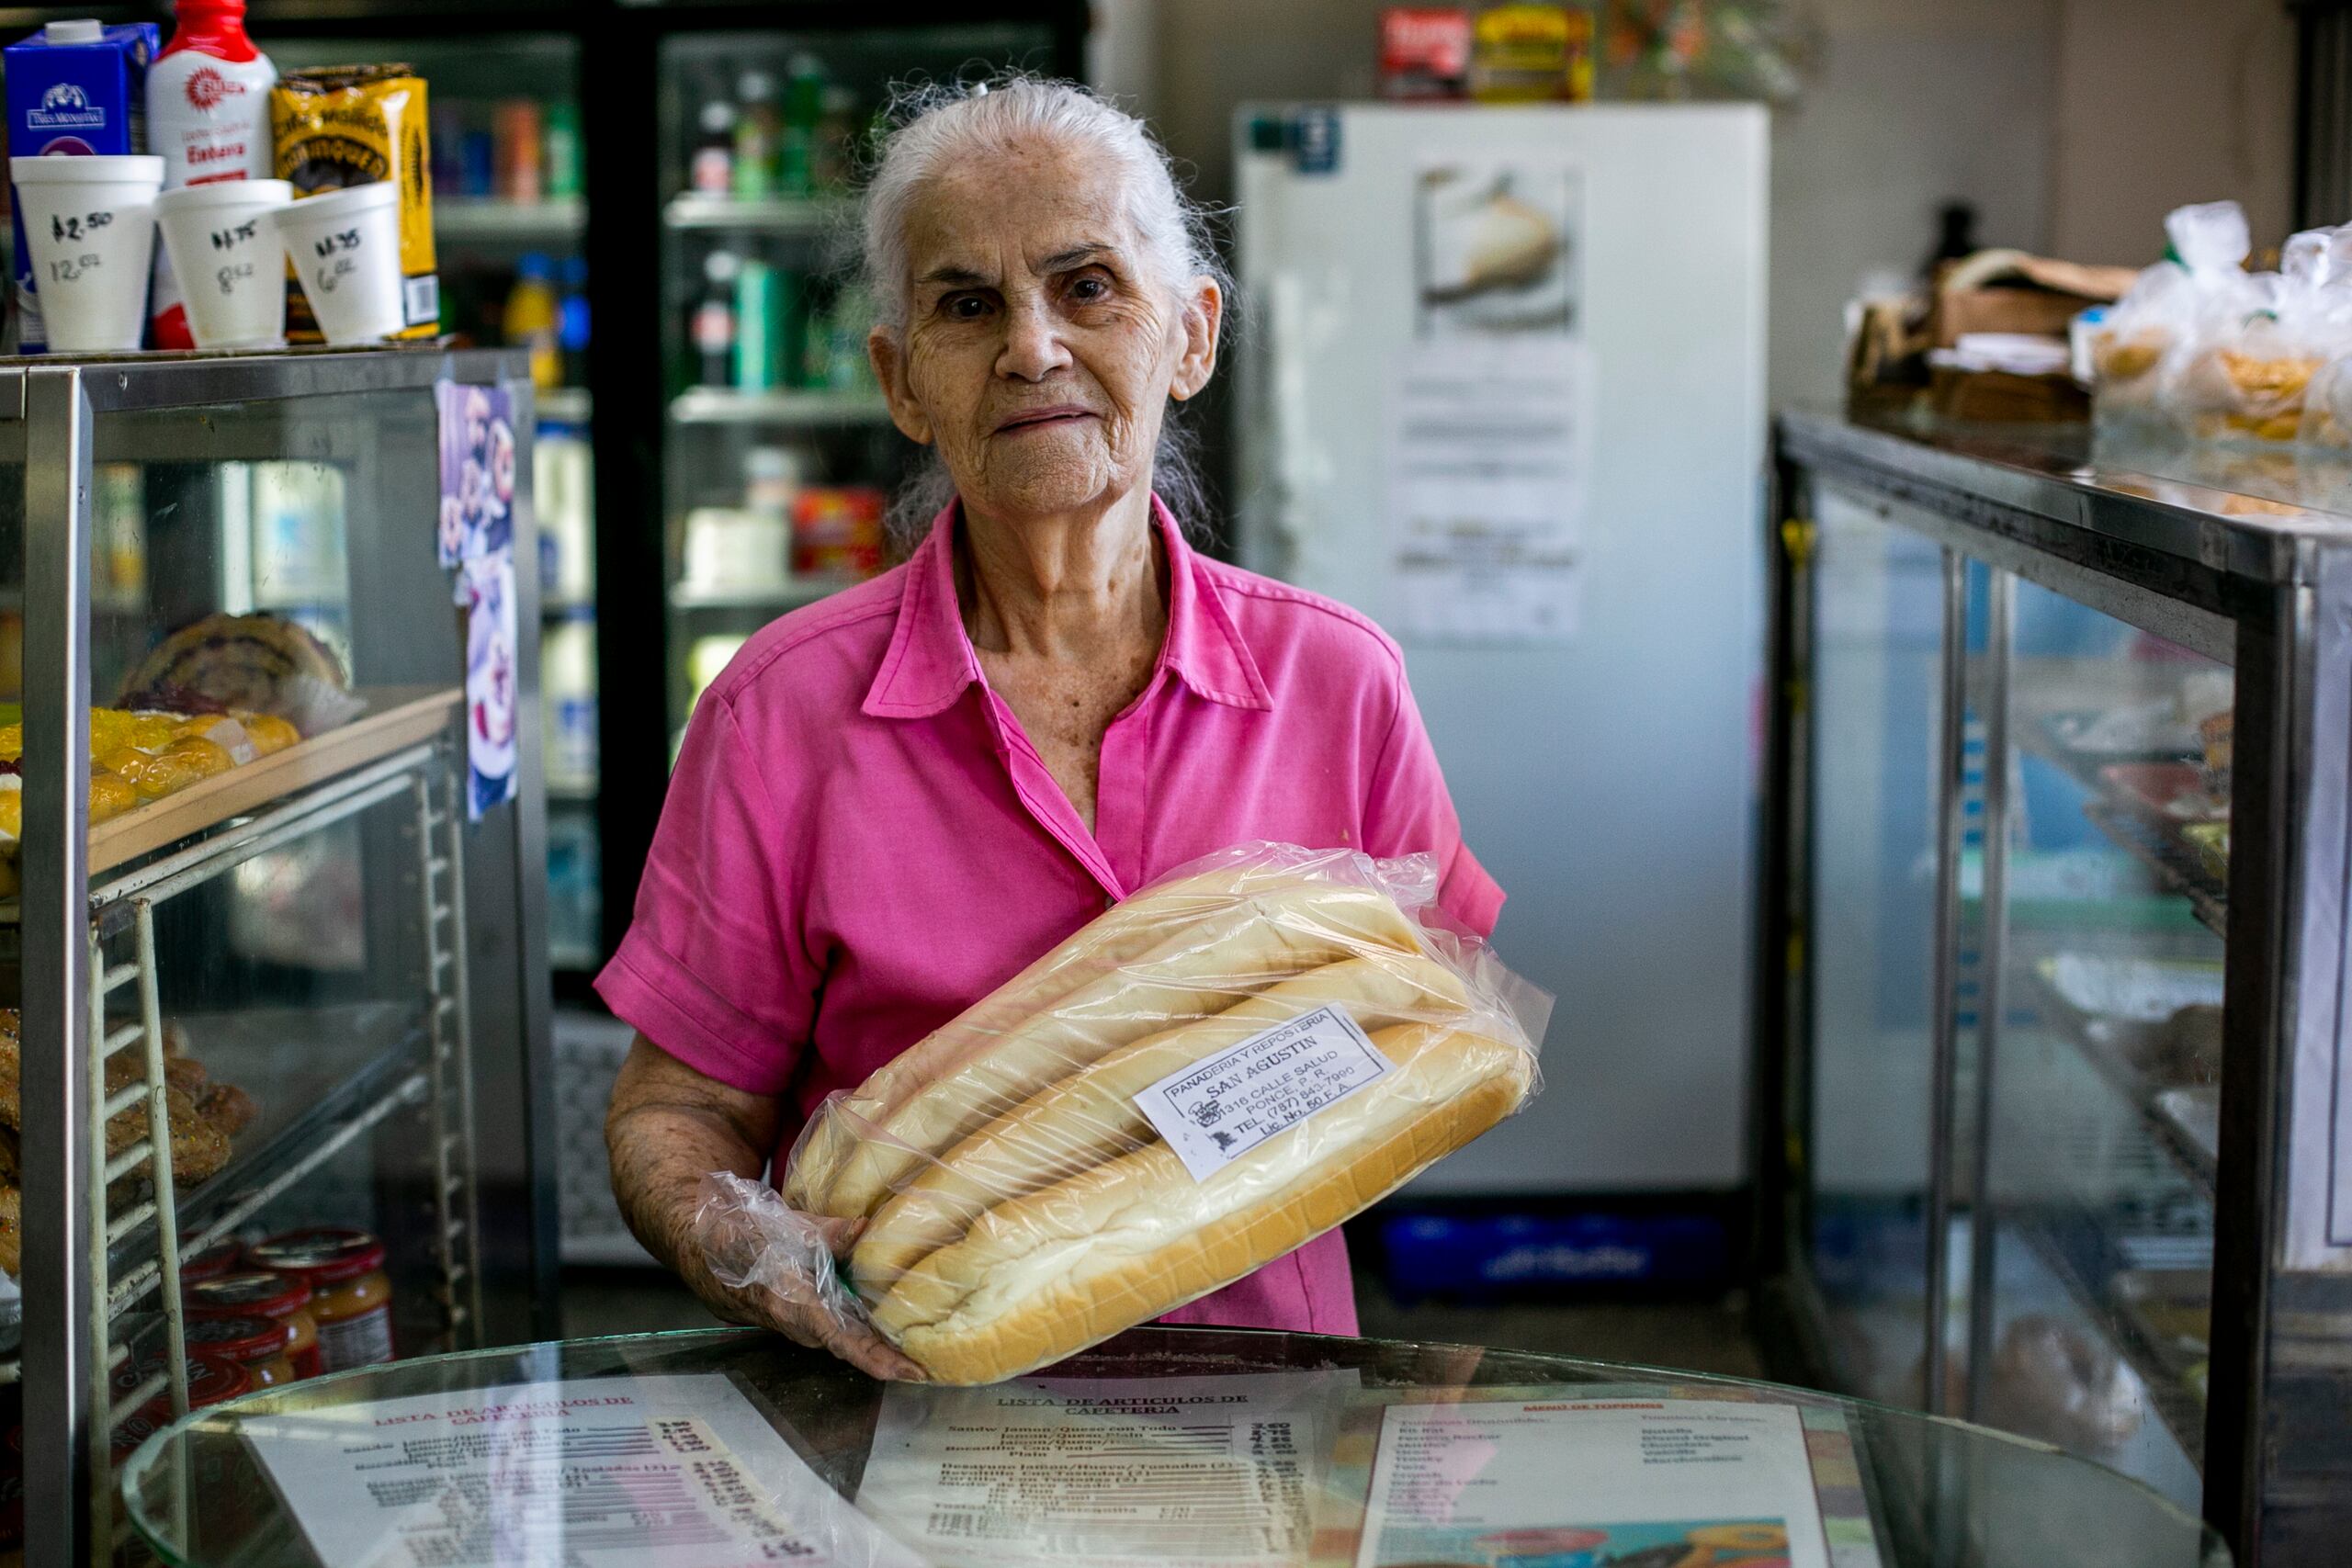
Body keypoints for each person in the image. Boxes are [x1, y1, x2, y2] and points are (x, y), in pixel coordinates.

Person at [601, 75, 1501, 1380]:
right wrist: (751, 1254)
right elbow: (675, 1108)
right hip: (896, 1407)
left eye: (1088, 287)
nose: (1032, 348)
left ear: (1191, 338)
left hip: (1267, 1400)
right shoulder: (778, 711)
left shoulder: (1336, 679)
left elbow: (1440, 1032)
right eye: (967, 306)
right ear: (903, 381)